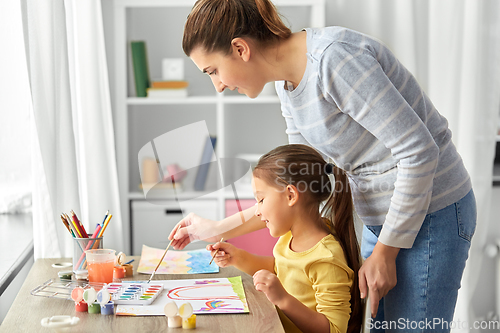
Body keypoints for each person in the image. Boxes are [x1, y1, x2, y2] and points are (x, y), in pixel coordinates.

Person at [169, 0, 477, 331]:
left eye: (212, 71)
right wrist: (216, 228)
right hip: (383, 223)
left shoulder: (334, 60)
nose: (218, 86)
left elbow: (419, 150)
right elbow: (295, 188)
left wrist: (385, 253)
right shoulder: (287, 89)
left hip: (432, 214)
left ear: (240, 48)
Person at [208, 144, 362, 333]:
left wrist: (283, 299)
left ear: (290, 195)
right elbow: (281, 270)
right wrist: (237, 257)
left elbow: (335, 329)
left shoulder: (326, 258)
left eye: (261, 200)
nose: (257, 211)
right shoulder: (290, 235)